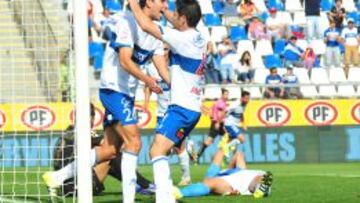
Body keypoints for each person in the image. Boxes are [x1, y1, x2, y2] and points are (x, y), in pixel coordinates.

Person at [43, 1, 170, 202]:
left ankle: (56, 177)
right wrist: (148, 81)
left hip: (127, 93)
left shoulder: (156, 31)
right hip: (113, 89)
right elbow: (125, 61)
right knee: (134, 142)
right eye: (162, 1)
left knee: (110, 150)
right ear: (149, 3)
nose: (166, 5)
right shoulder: (126, 23)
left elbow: (162, 68)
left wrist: (178, 89)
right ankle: (129, 199)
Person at [127, 0, 206, 202]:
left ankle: (165, 198)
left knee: (156, 150)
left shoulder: (182, 39)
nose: (171, 14)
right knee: (162, 149)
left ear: (184, 18)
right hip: (190, 106)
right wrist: (163, 8)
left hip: (182, 108)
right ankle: (166, 196)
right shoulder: (198, 35)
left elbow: (146, 26)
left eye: (176, 13)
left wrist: (133, 4)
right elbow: (173, 18)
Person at [144, 44, 192, 186]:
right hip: (160, 114)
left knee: (178, 147)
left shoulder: (177, 68)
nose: (164, 52)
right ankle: (164, 180)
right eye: (162, 49)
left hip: (175, 112)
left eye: (166, 49)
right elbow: (148, 85)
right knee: (159, 148)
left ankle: (186, 177)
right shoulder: (151, 67)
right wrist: (146, 102)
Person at [173, 149, 273, 199]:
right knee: (210, 183)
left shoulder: (237, 170)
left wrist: (229, 167)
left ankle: (261, 188)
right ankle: (179, 193)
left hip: (246, 177)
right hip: (232, 183)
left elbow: (238, 155)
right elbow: (220, 154)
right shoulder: (216, 174)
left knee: (265, 175)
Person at [197, 88, 229, 161]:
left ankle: (223, 155)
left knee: (227, 137)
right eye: (225, 94)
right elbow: (220, 114)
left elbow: (211, 111)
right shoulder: (220, 103)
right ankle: (197, 155)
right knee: (209, 140)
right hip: (217, 123)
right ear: (222, 95)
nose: (227, 96)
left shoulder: (218, 103)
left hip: (219, 123)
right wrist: (217, 122)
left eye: (227, 94)